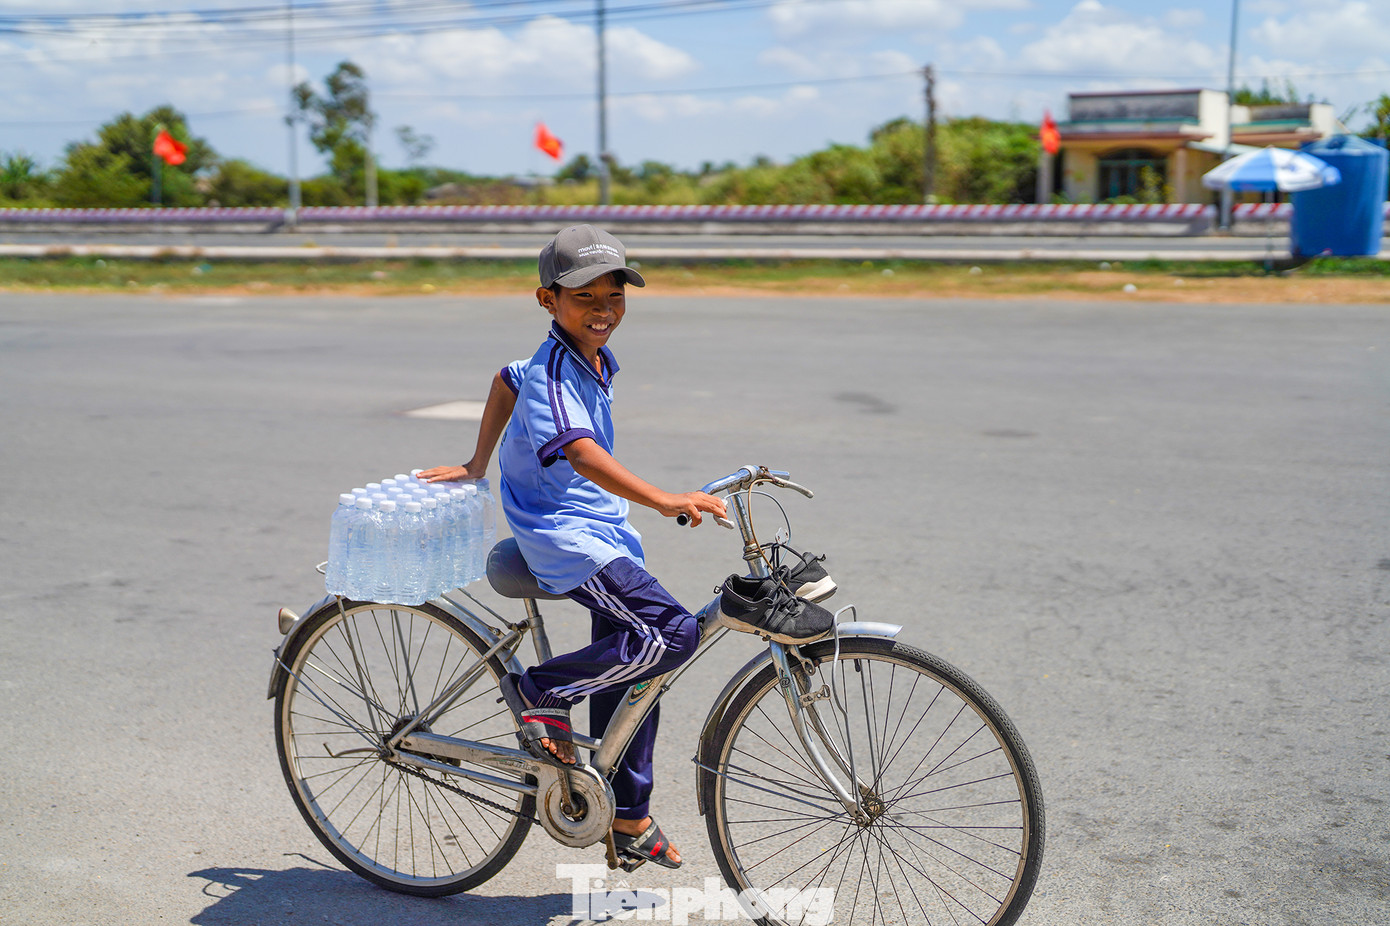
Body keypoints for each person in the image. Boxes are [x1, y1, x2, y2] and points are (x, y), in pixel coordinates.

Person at [419, 224, 832, 870]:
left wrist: (477, 461)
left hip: (601, 528)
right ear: (547, 300)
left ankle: (628, 815)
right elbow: (580, 453)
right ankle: (540, 692)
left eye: (615, 295)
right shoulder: (557, 373)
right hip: (563, 536)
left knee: (645, 667)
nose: (604, 310)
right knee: (671, 633)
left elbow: (504, 378)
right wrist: (665, 499)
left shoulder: (591, 358)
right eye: (585, 297)